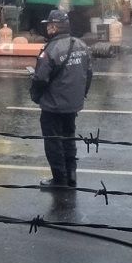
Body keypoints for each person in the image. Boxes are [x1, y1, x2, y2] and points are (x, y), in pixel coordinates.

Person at [30, 10, 93, 189]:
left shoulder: (51, 50)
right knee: (69, 139)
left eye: (49, 25)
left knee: (53, 143)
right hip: (72, 105)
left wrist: (35, 96)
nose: (47, 28)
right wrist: (81, 95)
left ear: (55, 27)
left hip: (53, 106)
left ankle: (59, 180)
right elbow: (88, 74)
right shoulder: (81, 45)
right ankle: (71, 176)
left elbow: (40, 78)